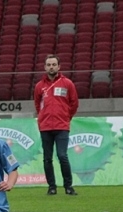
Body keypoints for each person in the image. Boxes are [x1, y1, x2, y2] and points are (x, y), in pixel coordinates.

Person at [33, 54, 79, 196]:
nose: (51, 67)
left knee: (62, 156)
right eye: (49, 65)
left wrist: (66, 117)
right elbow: (37, 104)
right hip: (45, 127)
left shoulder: (68, 83)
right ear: (45, 67)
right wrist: (43, 117)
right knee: (47, 158)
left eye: (54, 64)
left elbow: (74, 103)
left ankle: (68, 186)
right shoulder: (39, 86)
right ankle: (51, 186)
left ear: (59, 67)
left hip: (62, 126)